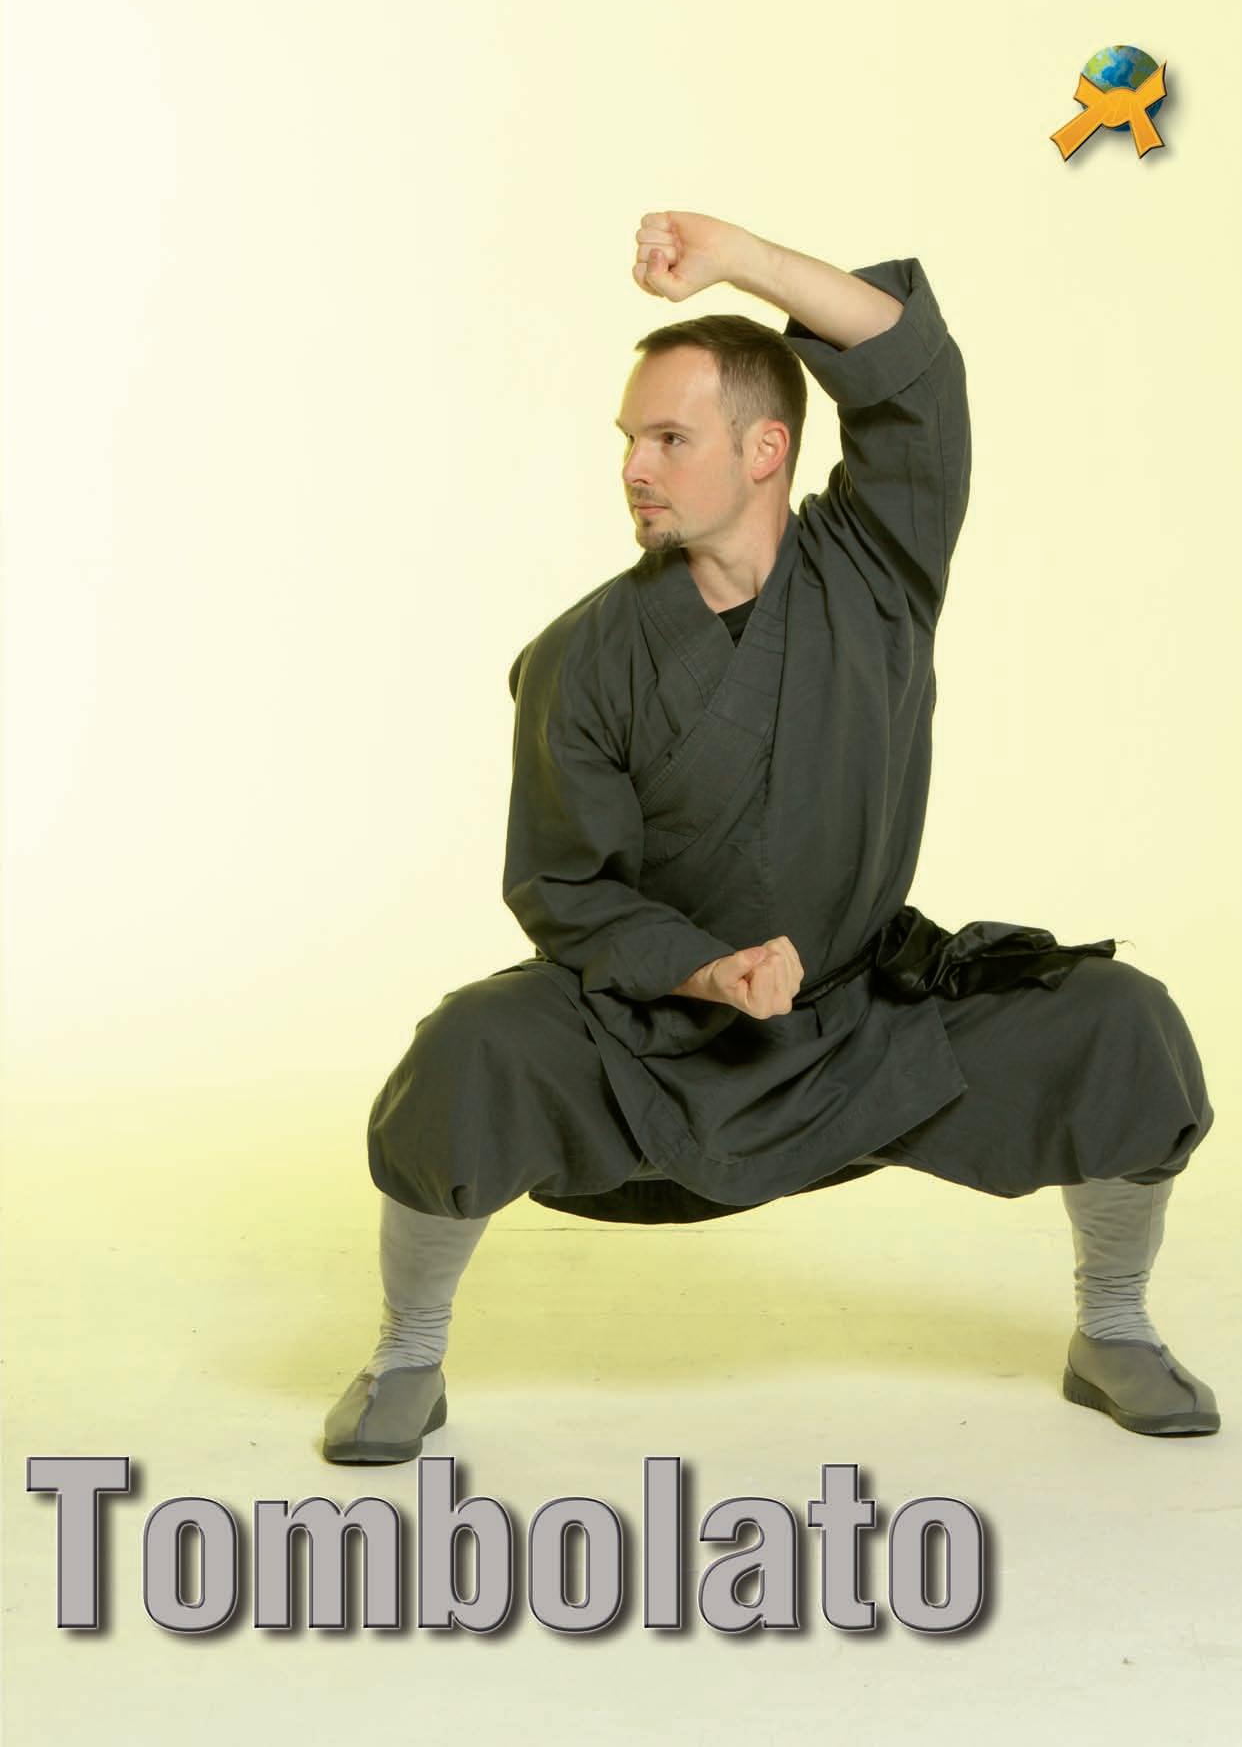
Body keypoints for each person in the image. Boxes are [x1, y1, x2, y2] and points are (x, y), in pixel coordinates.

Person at [323, 210, 1218, 1463]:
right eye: (629, 439)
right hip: (657, 1031)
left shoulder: (878, 571)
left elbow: (917, 371)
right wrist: (706, 969)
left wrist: (739, 259)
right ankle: (406, 1352)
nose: (634, 466)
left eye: (668, 438)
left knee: (1123, 1023)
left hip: (862, 1015)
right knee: (465, 1052)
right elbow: (567, 888)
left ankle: (1113, 1325)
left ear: (766, 448)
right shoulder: (584, 657)